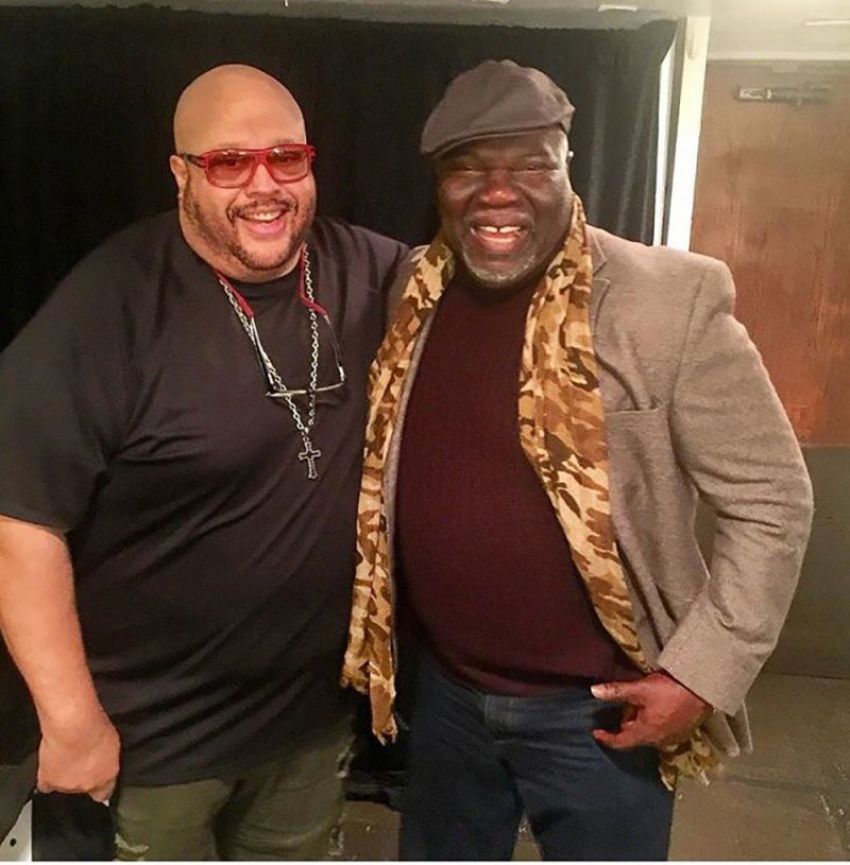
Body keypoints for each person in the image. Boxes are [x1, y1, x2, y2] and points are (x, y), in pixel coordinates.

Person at [342, 60, 814, 861]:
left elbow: (772, 498)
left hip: (601, 710)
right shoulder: (412, 292)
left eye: (530, 163)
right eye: (470, 169)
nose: (499, 192)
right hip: (449, 695)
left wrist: (698, 675)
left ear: (568, 165)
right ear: (440, 184)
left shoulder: (669, 302)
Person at [0, 63, 407, 860]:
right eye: (229, 162)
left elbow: (501, 268)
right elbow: (19, 524)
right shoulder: (108, 306)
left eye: (287, 157)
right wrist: (73, 722)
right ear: (181, 173)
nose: (266, 185)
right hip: (154, 745)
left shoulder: (369, 269)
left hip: (307, 722)